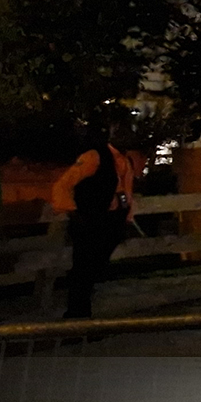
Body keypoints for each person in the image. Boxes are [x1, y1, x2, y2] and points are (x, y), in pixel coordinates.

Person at [51, 121, 137, 319]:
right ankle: (77, 315)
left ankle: (80, 313)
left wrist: (127, 217)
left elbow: (127, 191)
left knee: (92, 270)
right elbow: (63, 184)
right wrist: (72, 211)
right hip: (91, 220)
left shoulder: (124, 161)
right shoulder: (94, 156)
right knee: (84, 270)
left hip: (111, 220)